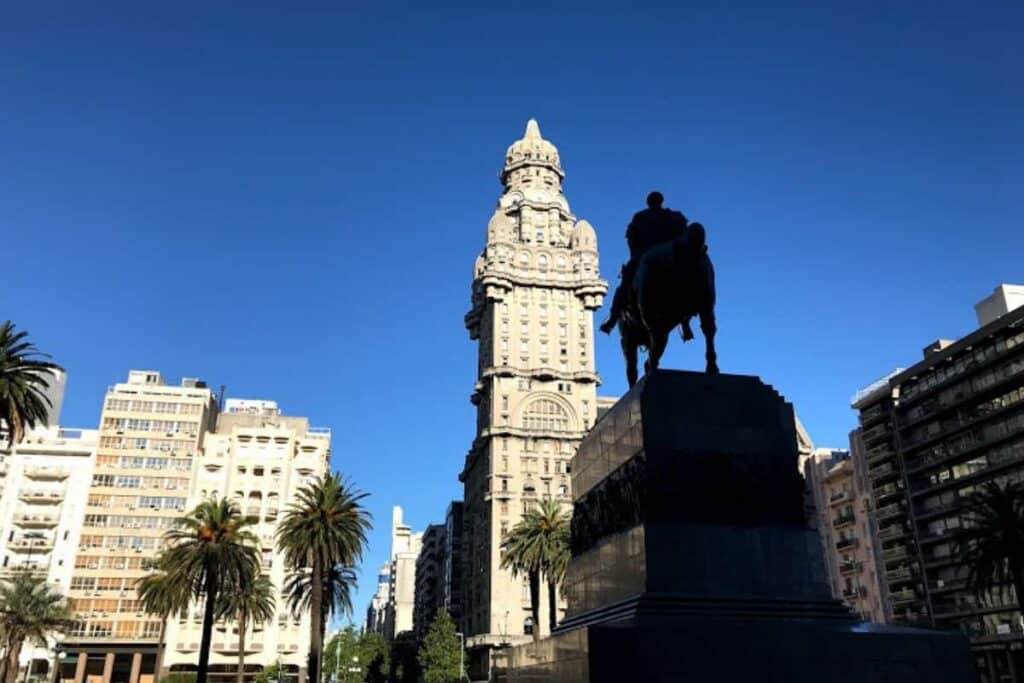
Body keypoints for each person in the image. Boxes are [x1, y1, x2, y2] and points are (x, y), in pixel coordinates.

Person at [600, 191, 687, 333]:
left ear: (649, 203)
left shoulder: (641, 217)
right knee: (684, 278)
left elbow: (631, 238)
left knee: (625, 284)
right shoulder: (672, 215)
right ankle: (685, 323)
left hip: (645, 255)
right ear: (661, 201)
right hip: (669, 255)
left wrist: (634, 254)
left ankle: (612, 319)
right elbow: (683, 233)